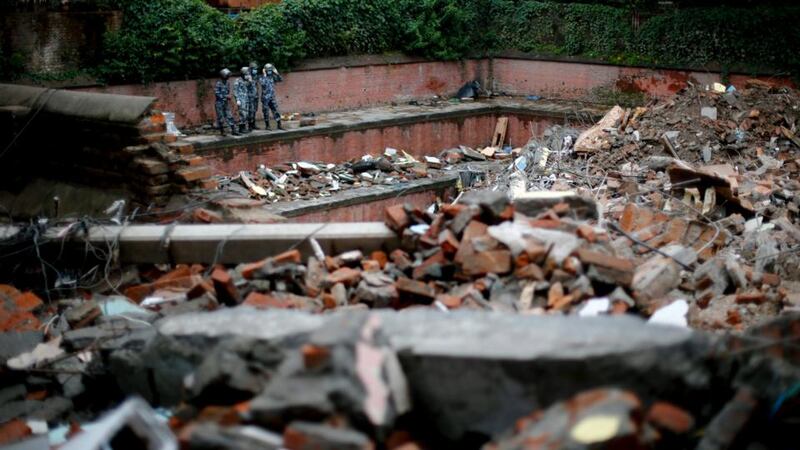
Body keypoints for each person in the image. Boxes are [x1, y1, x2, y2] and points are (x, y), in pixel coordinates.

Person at [259, 63, 283, 130]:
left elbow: (280, 80)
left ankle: (279, 125)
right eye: (268, 70)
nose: (269, 71)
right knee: (266, 111)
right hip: (265, 98)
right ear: (265, 70)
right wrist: (264, 75)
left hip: (272, 97)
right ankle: (267, 126)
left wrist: (277, 73)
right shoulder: (262, 77)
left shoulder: (273, 77)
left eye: (270, 70)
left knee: (276, 110)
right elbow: (262, 83)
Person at [214, 68, 238, 136]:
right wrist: (225, 96)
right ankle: (222, 131)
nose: (228, 77)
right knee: (221, 118)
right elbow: (217, 94)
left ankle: (234, 130)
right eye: (227, 75)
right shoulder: (218, 83)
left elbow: (228, 91)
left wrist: (229, 96)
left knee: (229, 116)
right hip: (219, 103)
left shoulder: (227, 83)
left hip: (225, 103)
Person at [233, 66, 252, 134]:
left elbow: (248, 86)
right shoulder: (238, 80)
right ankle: (240, 128)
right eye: (246, 74)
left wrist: (250, 81)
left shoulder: (245, 81)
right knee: (242, 114)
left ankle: (243, 128)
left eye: (248, 74)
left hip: (246, 99)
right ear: (243, 74)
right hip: (241, 100)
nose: (248, 75)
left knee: (246, 114)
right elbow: (235, 90)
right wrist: (237, 99)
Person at [248, 62, 259, 130]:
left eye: (256, 69)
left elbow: (256, 85)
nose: (255, 70)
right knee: (250, 111)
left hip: (255, 96)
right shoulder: (247, 76)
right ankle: (250, 126)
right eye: (254, 69)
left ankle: (253, 124)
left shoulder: (255, 76)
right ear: (251, 69)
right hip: (250, 97)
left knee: (254, 110)